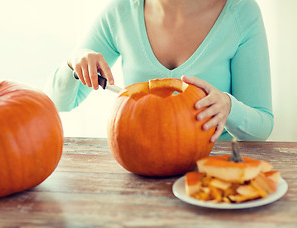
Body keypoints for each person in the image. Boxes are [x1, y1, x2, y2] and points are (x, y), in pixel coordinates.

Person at [45, 0, 273, 142]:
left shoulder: (242, 12)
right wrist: (73, 62)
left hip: (211, 172)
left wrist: (228, 107)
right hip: (139, 168)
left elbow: (263, 126)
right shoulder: (119, 12)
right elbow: (59, 103)